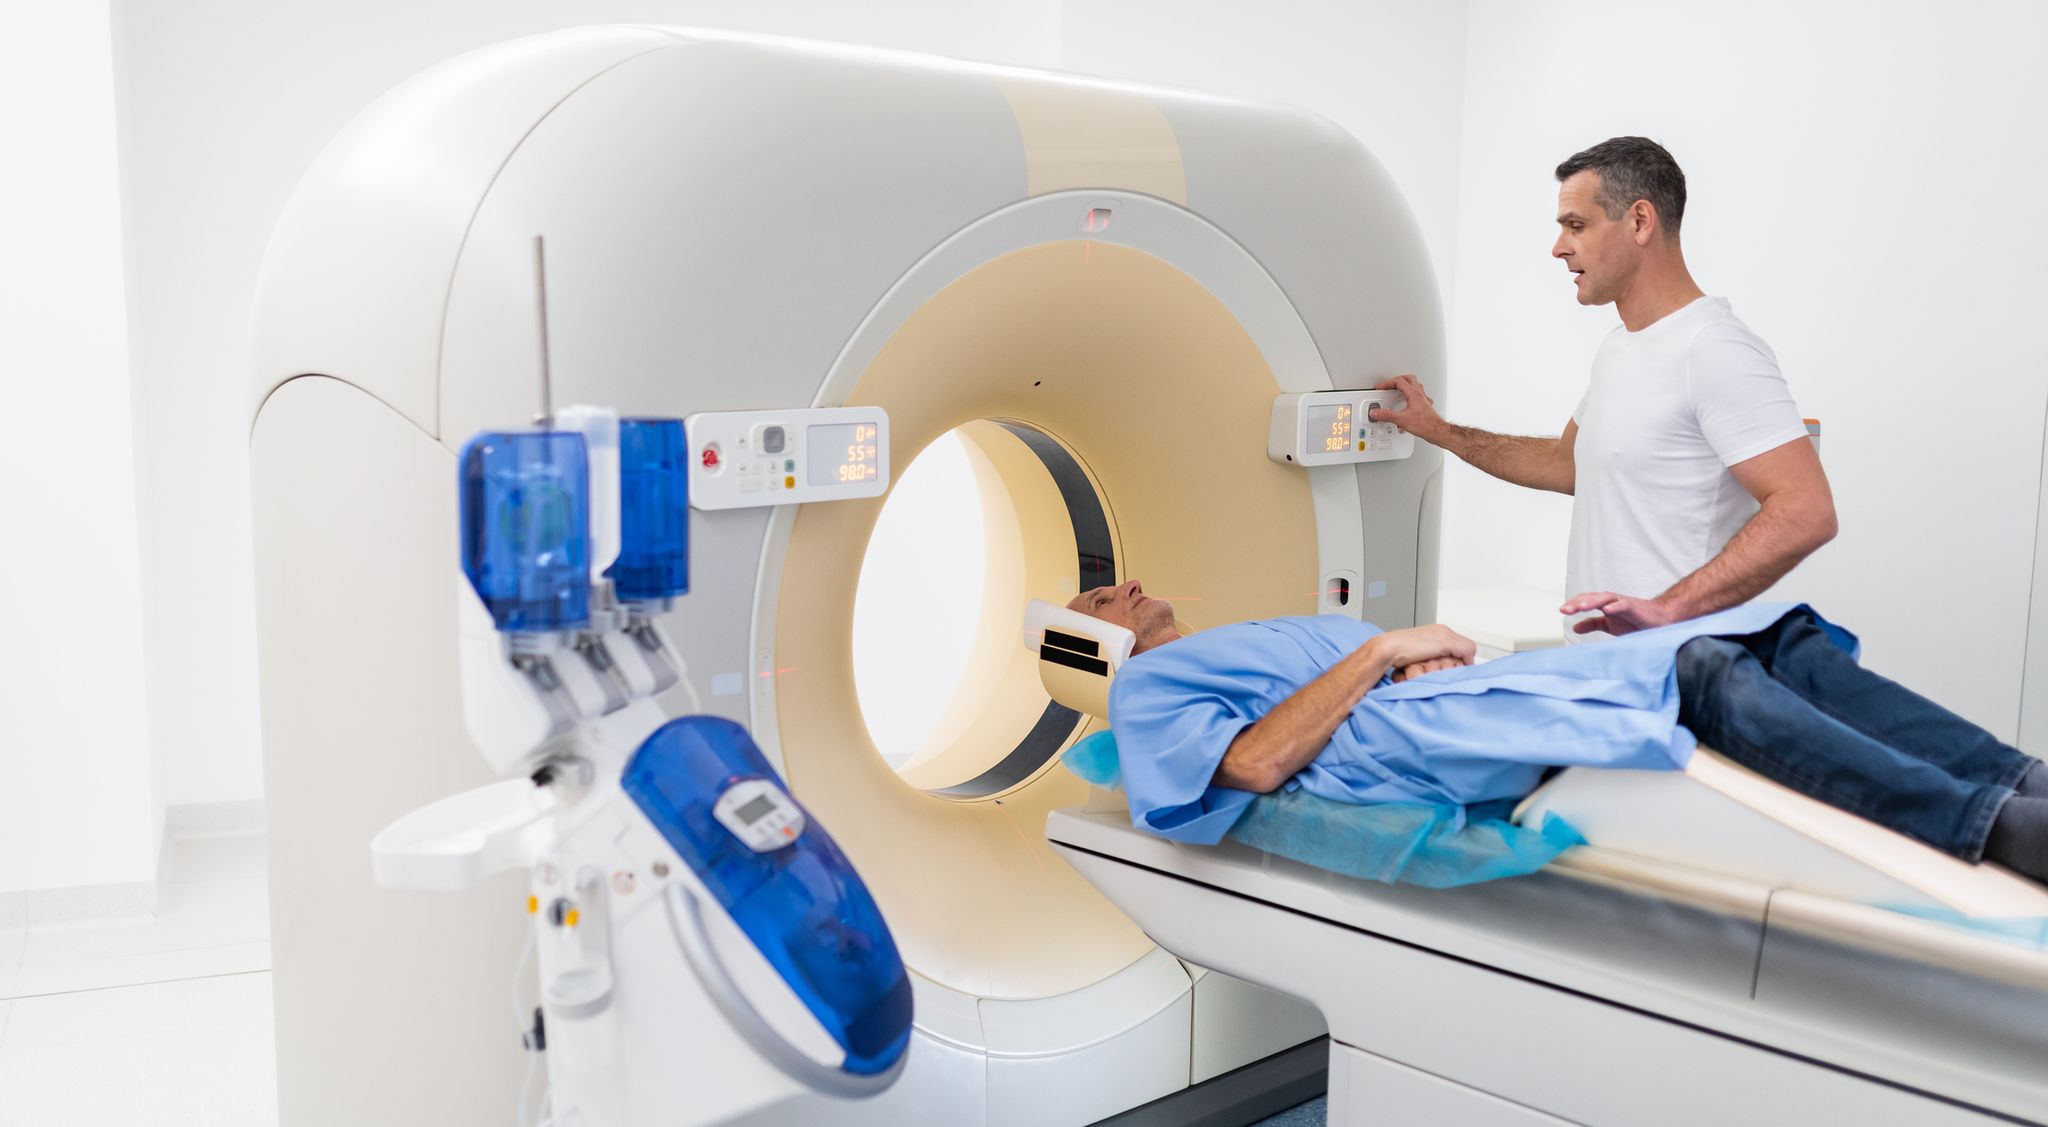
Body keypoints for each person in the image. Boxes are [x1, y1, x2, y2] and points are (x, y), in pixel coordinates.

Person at [1067, 580, 2048, 886]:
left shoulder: (1242, 632)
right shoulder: (1142, 687)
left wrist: (1408, 655)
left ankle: (2020, 782)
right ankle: (1991, 827)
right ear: (1091, 642)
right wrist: (1381, 656)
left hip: (1438, 691)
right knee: (1701, 673)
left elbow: (1356, 667)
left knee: (1769, 636)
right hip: (1401, 736)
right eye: (1102, 595)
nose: (1130, 584)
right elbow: (1250, 760)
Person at [1369, 137, 1837, 640]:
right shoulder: (1620, 348)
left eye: (1577, 226)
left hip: (1670, 668)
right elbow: (1565, 464)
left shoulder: (1715, 348)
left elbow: (1806, 510)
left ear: (1639, 221)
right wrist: (1435, 430)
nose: (1559, 247)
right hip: (1598, 663)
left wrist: (1668, 609)